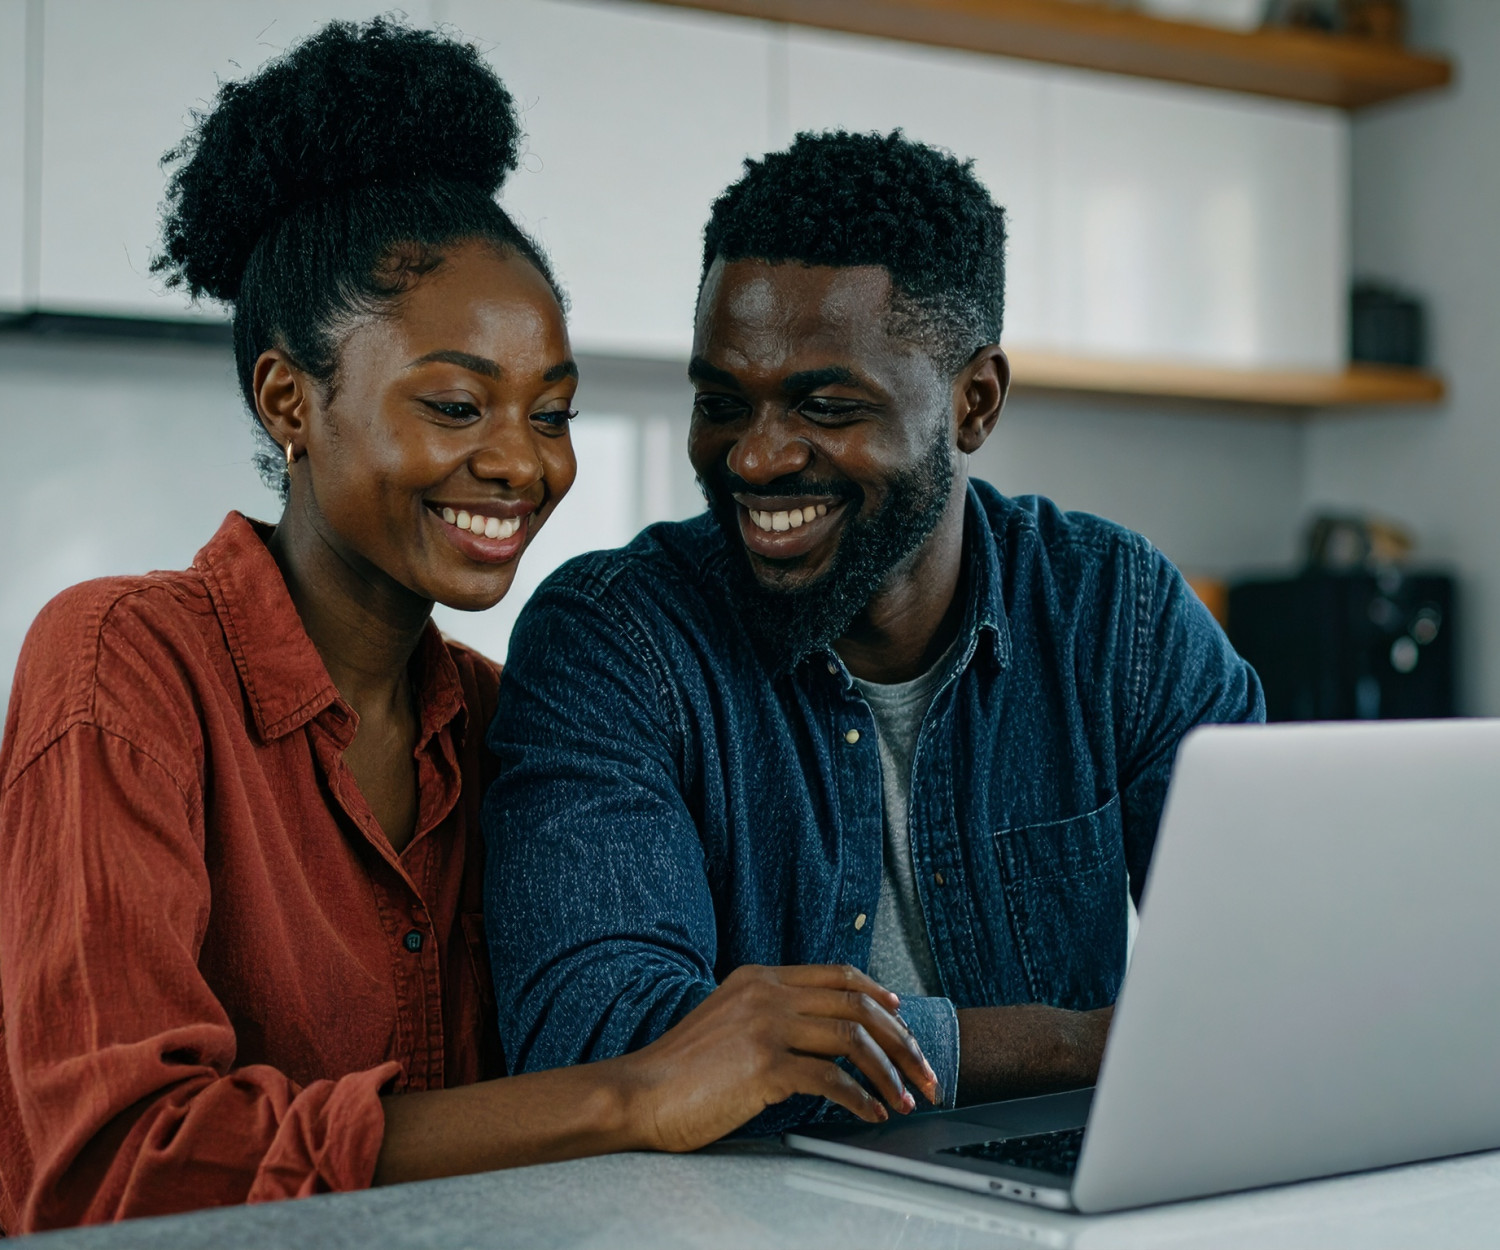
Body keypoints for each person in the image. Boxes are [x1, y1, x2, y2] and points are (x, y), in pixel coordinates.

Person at [0, 32, 935, 1233]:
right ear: (290, 399)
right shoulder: (123, 665)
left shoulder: (503, 718)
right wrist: (632, 1089)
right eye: (455, 404)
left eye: (551, 412)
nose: (519, 462)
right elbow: (116, 1164)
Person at [484, 130, 1265, 1129]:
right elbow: (604, 1044)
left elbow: (1265, 980)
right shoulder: (616, 640)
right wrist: (1069, 1044)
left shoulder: (1118, 612)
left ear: (972, 402)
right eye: (724, 401)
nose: (756, 459)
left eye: (826, 404)